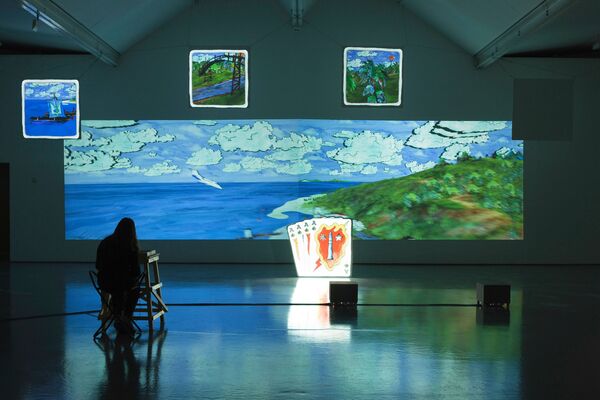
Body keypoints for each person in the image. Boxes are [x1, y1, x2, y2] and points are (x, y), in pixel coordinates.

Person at [96, 217, 142, 334]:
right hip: (121, 284)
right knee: (134, 290)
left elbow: (97, 265)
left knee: (119, 290)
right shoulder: (130, 247)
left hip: (104, 283)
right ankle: (126, 317)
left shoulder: (105, 242)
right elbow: (136, 272)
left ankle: (118, 316)